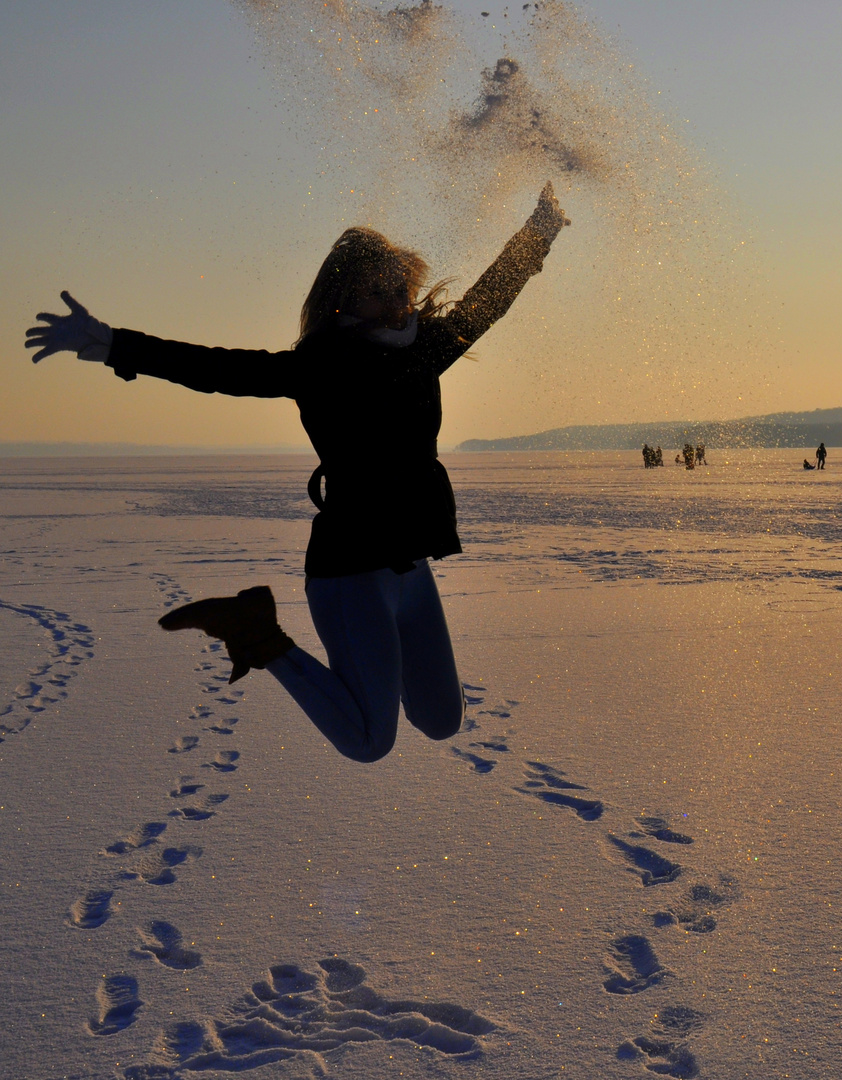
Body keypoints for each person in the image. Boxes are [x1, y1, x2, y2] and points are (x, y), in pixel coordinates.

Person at [26, 184, 570, 764]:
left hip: (409, 569)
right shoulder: (322, 366)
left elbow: (487, 300)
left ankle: (332, 659)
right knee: (369, 739)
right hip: (350, 570)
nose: (394, 302)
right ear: (343, 301)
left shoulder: (422, 350)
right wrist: (114, 345)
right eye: (377, 291)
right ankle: (259, 635)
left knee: (440, 720)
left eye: (400, 288)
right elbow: (217, 369)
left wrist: (538, 232)